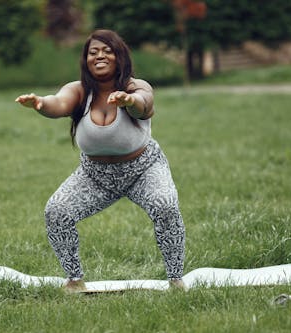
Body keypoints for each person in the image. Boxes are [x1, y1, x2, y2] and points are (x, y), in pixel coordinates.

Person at [15, 29, 186, 292]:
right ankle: (74, 279)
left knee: (165, 205)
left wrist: (129, 101)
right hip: (95, 175)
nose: (100, 56)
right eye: (93, 52)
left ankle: (176, 279)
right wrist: (40, 103)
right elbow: (58, 103)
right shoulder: (80, 91)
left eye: (107, 51)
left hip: (144, 169)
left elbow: (145, 103)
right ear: (86, 60)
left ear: (120, 57)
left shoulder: (134, 86)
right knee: (57, 211)